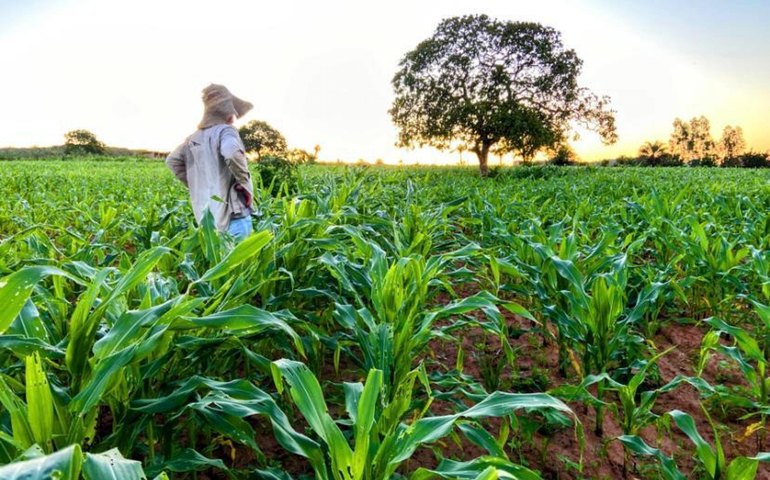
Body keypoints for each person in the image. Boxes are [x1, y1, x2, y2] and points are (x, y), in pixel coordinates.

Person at [166, 84, 255, 241]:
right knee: (243, 264)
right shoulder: (226, 130)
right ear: (229, 113)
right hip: (233, 217)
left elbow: (172, 161)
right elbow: (231, 152)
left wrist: (197, 185)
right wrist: (244, 181)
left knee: (218, 263)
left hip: (208, 221)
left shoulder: (193, 138)